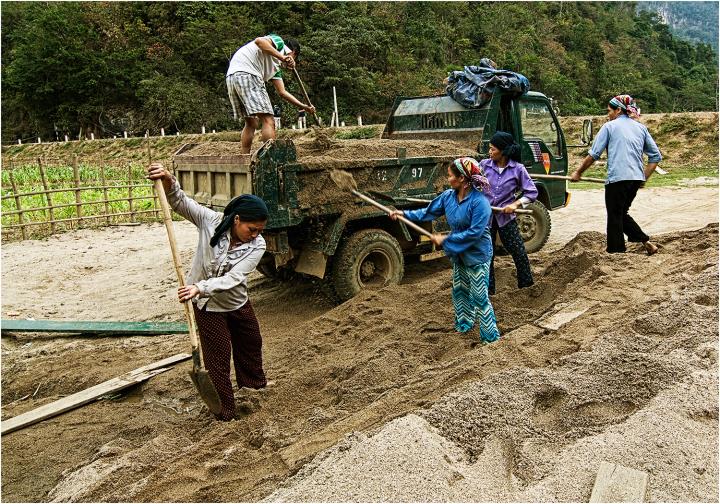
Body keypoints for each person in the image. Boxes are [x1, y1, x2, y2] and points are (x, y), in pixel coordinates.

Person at [147, 162, 270, 421]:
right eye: (252, 229)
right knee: (218, 356)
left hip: (236, 302)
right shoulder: (209, 221)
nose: (255, 235)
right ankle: (225, 410)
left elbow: (235, 278)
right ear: (237, 220)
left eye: (259, 230)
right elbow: (180, 202)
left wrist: (198, 287)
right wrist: (168, 179)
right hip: (207, 307)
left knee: (251, 343)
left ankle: (253, 391)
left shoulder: (258, 245)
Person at [390, 157, 501, 343]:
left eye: (450, 176)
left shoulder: (479, 203)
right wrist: (403, 214)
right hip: (459, 254)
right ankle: (465, 324)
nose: (447, 179)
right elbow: (427, 212)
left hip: (477, 254)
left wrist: (446, 238)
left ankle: (491, 338)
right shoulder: (448, 197)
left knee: (479, 297)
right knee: (460, 291)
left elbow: (474, 234)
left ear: (463, 179)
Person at [570, 94, 662, 255]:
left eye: (609, 111)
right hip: (635, 179)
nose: (608, 114)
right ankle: (647, 243)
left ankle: (616, 251)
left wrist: (578, 172)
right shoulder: (640, 128)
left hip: (618, 178)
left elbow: (594, 154)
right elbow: (656, 157)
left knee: (614, 215)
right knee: (620, 213)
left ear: (618, 109)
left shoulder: (609, 127)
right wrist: (644, 178)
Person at [226, 34, 316, 153]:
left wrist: (303, 106)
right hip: (248, 74)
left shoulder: (274, 67)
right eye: (294, 57)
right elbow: (259, 41)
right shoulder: (279, 42)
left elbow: (282, 92)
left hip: (232, 77)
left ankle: (244, 158)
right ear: (293, 52)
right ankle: (271, 157)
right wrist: (283, 57)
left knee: (251, 122)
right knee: (268, 120)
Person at [480, 131, 538, 295]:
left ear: (503, 151)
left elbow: (531, 193)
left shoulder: (518, 169)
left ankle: (526, 288)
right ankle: (488, 292)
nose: (489, 152)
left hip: (506, 218)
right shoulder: (483, 166)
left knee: (519, 252)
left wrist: (515, 204)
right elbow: (470, 181)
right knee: (486, 256)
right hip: (486, 219)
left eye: (493, 149)